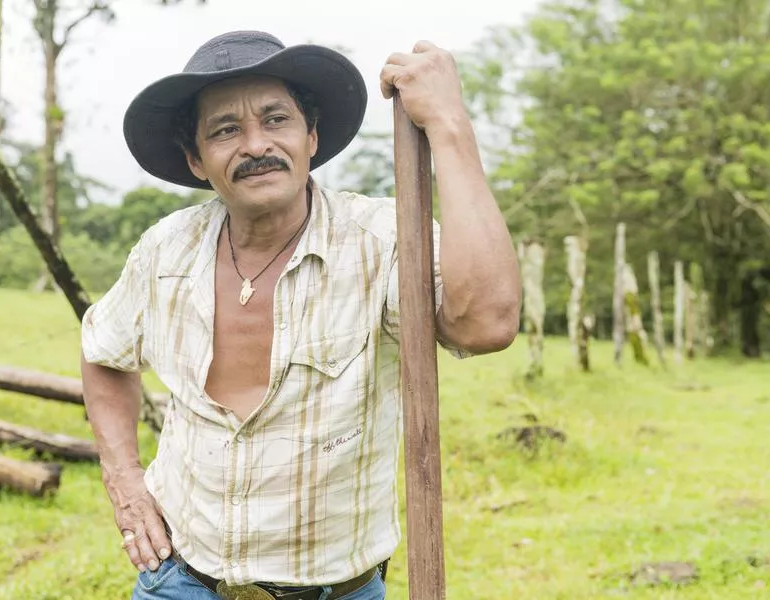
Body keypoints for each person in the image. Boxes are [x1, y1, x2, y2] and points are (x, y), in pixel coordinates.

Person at [80, 30, 521, 600]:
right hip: (179, 579)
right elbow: (103, 352)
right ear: (195, 159)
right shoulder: (165, 251)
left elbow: (486, 324)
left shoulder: (383, 241)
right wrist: (124, 480)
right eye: (225, 130)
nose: (255, 145)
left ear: (311, 136)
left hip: (334, 591)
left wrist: (449, 127)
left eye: (276, 120)